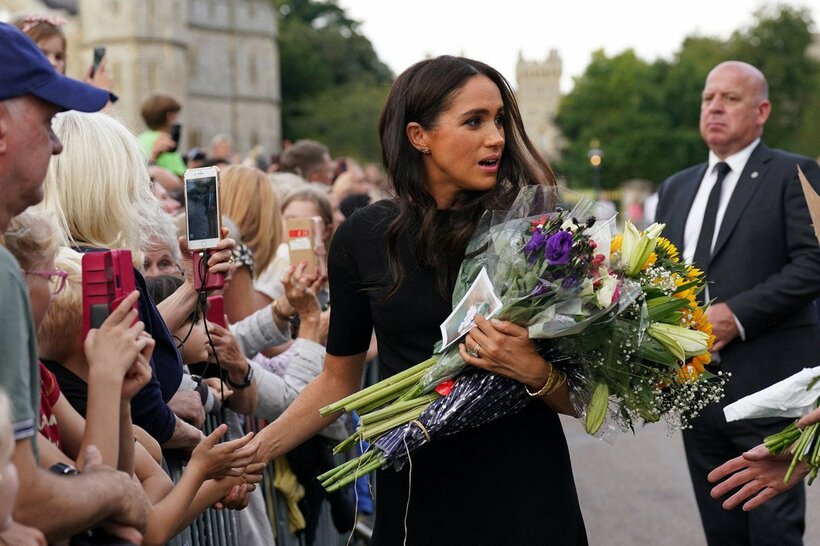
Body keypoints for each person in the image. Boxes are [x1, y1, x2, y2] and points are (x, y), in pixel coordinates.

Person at [249, 55, 587, 546]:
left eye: (499, 120)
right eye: (474, 121)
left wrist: (532, 369)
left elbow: (583, 399)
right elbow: (336, 381)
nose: (495, 137)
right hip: (416, 488)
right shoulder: (363, 238)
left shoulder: (542, 232)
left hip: (528, 490)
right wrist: (253, 455)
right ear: (418, 135)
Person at [654, 60, 820, 545]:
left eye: (730, 98)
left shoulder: (797, 172)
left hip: (773, 391)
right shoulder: (675, 187)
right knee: (720, 531)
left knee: (773, 534)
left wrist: (737, 316)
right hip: (697, 395)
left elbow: (814, 263)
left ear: (762, 110)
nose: (715, 108)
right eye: (709, 98)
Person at [0, 21, 150, 543]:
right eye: (47, 122)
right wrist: (114, 492)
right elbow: (28, 497)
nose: (59, 147)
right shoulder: (3, 274)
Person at [137, 93, 186, 177]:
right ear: (170, 116)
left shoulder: (139, 139)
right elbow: (181, 179)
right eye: (176, 115)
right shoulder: (165, 142)